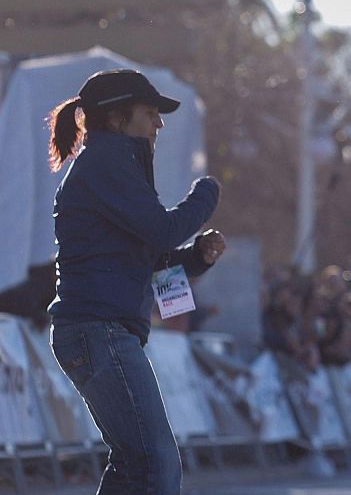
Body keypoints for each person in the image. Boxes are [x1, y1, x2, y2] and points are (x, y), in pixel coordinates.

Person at [46, 68, 226, 495]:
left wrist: (197, 259)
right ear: (115, 119)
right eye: (150, 113)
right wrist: (207, 192)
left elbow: (156, 261)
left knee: (134, 464)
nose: (159, 123)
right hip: (99, 330)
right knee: (156, 463)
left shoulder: (117, 167)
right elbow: (164, 232)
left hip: (97, 331)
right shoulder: (107, 163)